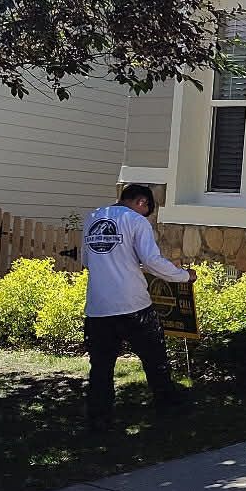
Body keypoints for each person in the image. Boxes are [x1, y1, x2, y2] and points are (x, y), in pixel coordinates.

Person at [80, 184, 192, 433]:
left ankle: (99, 417)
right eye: (147, 209)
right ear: (141, 202)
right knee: (155, 358)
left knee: (101, 365)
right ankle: (166, 404)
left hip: (98, 308)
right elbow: (151, 261)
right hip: (134, 305)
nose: (146, 214)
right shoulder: (136, 221)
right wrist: (183, 276)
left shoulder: (93, 217)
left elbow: (87, 261)